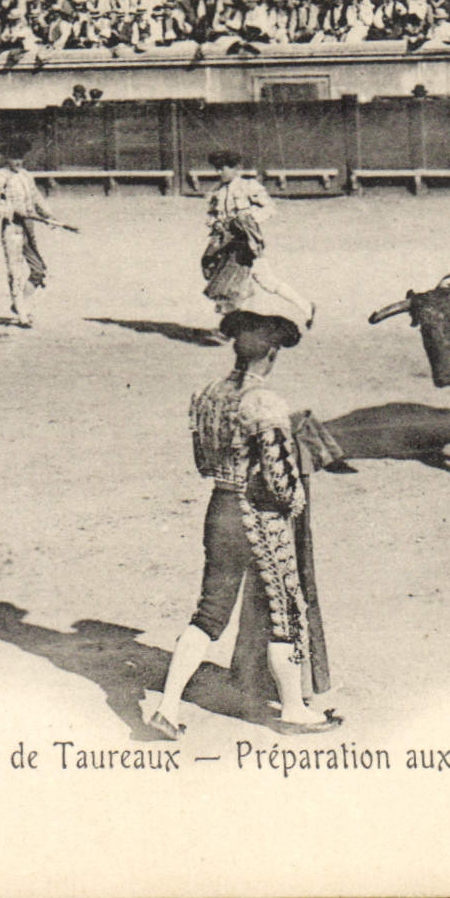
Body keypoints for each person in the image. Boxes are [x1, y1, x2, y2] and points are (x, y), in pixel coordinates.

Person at [148, 291, 342, 739]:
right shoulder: (266, 402)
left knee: (210, 611)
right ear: (272, 353)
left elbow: (201, 462)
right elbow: (278, 473)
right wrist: (292, 502)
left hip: (219, 506)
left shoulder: (208, 394)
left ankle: (167, 705)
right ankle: (294, 709)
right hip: (257, 514)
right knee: (286, 609)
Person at [200, 150, 315, 327]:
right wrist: (215, 223)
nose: (218, 173)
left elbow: (270, 208)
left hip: (247, 243)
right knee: (228, 278)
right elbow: (211, 216)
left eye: (222, 169)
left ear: (234, 168)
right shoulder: (217, 191)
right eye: (216, 169)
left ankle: (305, 306)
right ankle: (233, 325)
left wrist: (249, 219)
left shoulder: (248, 186)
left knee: (253, 282)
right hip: (226, 244)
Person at [0, 137, 52, 327]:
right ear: (6, 158)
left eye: (20, 157)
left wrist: (49, 216)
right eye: (14, 157)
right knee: (15, 270)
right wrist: (12, 211)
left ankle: (18, 303)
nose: (18, 161)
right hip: (12, 227)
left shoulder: (26, 175)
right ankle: (22, 312)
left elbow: (37, 198)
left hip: (29, 225)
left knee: (38, 270)